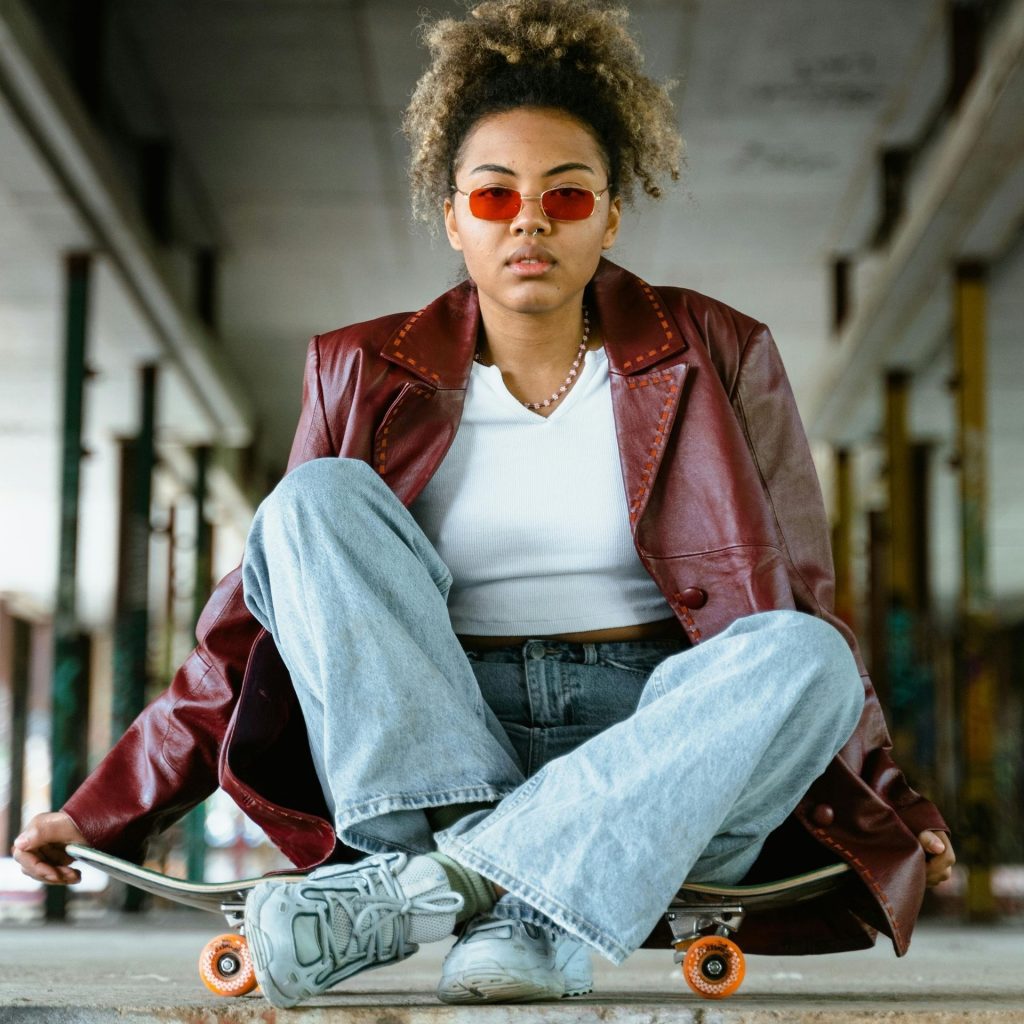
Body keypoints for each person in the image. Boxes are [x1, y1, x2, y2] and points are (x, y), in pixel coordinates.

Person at [13, 0, 954, 1009]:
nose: (532, 223)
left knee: (802, 655)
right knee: (309, 504)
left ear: (610, 213)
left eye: (567, 196)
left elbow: (802, 596)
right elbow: (251, 624)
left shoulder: (719, 349)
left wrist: (894, 802)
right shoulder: (357, 367)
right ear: (454, 216)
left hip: (652, 750)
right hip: (427, 740)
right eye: (496, 198)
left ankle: (430, 893)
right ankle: (513, 892)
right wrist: (106, 808)